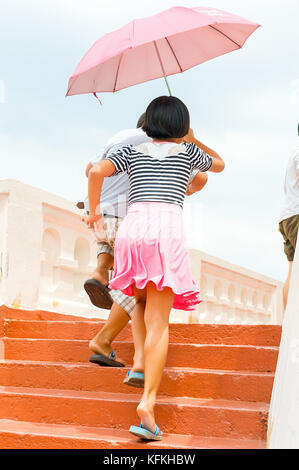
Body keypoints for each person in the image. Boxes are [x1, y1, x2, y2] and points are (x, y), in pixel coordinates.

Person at [85, 95, 224, 441]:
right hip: (165, 230)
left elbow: (96, 170)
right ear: (180, 125)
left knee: (140, 302)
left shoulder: (133, 152)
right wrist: (193, 139)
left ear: (148, 123)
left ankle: (141, 365)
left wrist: (94, 212)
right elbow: (219, 165)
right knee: (159, 320)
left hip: (133, 230)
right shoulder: (188, 153)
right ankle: (148, 402)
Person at [84, 116, 209, 369]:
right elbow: (201, 178)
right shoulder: (166, 146)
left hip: (101, 212)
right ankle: (105, 340)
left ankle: (99, 271)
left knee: (116, 249)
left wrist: (95, 209)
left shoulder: (120, 136)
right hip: (134, 217)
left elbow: (90, 170)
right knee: (137, 288)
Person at [278, 123, 299, 309]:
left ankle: (288, 326)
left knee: (293, 270)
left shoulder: (294, 151)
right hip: (297, 215)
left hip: (287, 215)